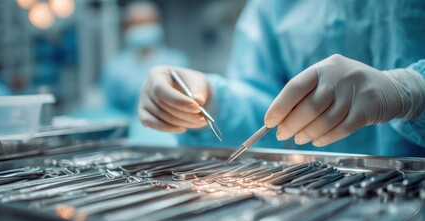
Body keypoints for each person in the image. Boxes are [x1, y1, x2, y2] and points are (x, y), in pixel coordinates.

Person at [138, 0, 425, 156]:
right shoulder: (271, 7)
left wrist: (411, 91)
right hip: (319, 192)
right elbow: (269, 116)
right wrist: (211, 99)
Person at [101, 1, 190, 145]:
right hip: (130, 139)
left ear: (158, 24)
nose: (143, 29)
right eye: (137, 24)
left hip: (174, 137)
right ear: (125, 28)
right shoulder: (114, 67)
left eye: (148, 23)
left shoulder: (178, 61)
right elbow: (111, 110)